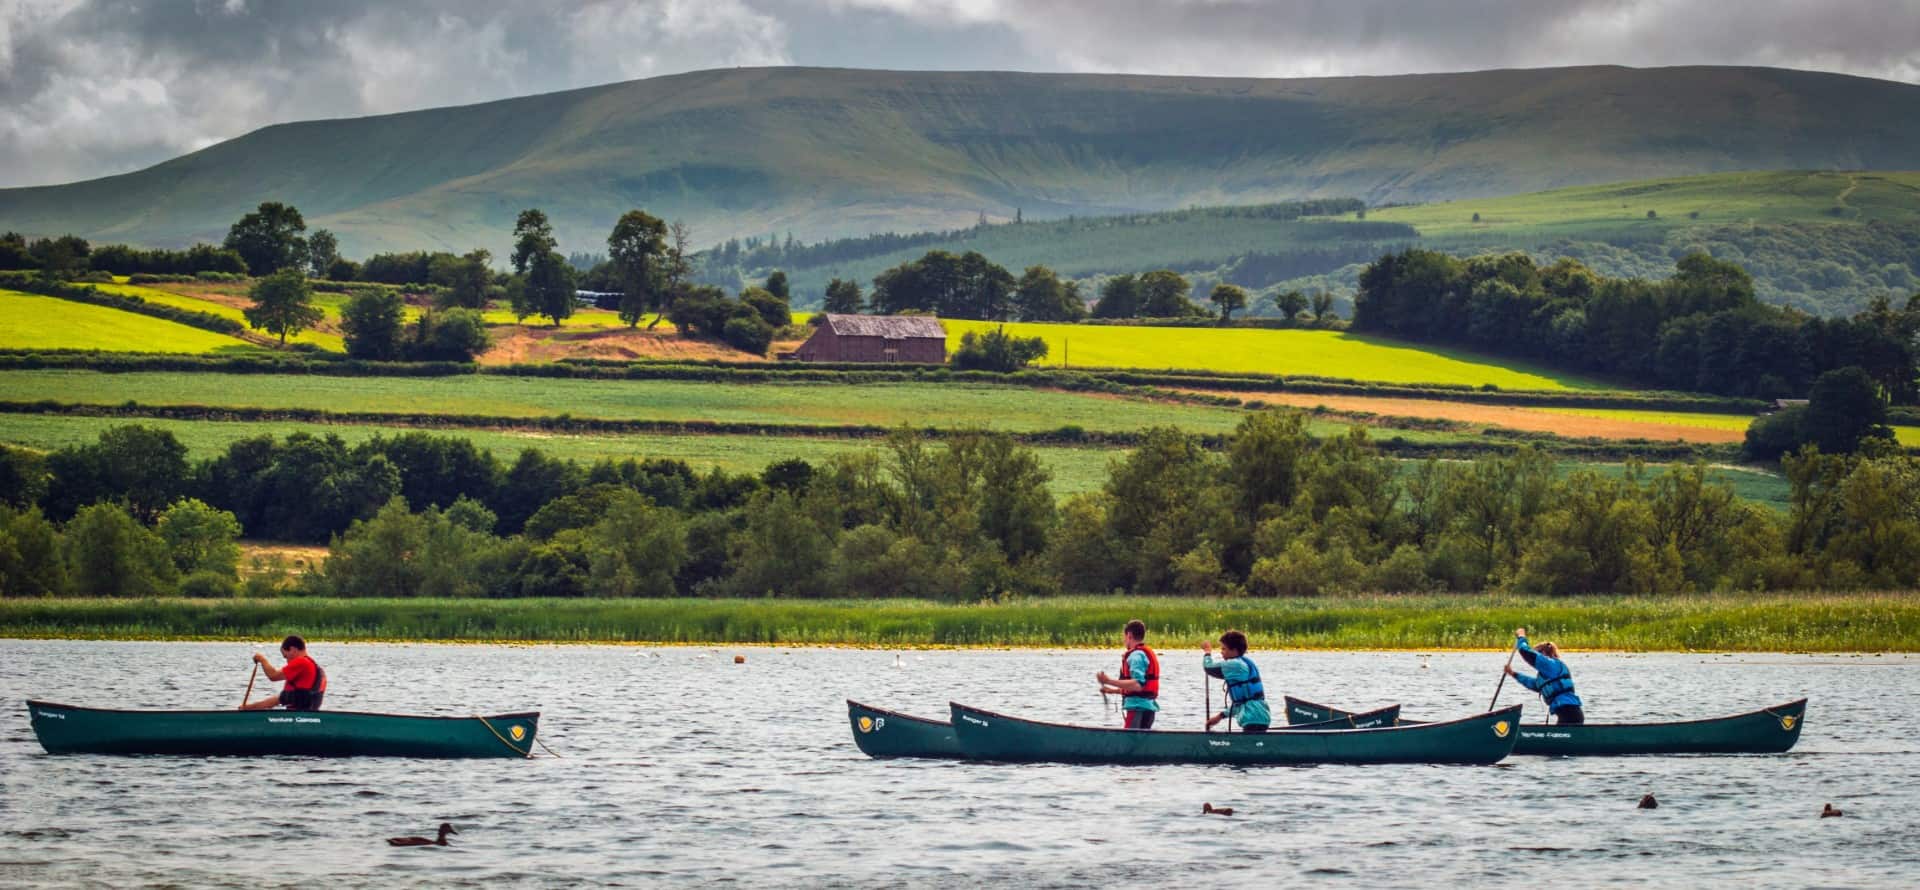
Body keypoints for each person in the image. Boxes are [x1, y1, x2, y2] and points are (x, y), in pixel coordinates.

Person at [1505, 627, 1582, 725]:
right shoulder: (1546, 673)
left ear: (1544, 653)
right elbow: (1534, 684)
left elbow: (1525, 651)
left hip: (1570, 713)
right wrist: (1513, 674)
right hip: (1566, 714)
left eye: (1537, 653)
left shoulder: (1551, 664)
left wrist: (1521, 636)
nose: (1537, 657)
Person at [1096, 619, 1160, 730]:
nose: (1124, 640)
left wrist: (1108, 681)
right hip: (1147, 708)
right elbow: (1139, 687)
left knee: (1130, 742)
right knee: (1140, 744)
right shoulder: (1142, 653)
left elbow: (1137, 685)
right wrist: (1111, 690)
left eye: (1124, 637)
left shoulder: (1135, 656)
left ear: (1129, 635)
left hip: (1137, 709)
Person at [1202, 630, 1270, 732]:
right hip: (1258, 717)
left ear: (1234, 650)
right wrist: (1219, 717)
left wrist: (1207, 653)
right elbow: (1241, 704)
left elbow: (1208, 668)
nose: (1221, 652)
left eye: (1224, 649)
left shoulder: (1235, 665)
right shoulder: (1243, 663)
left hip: (1253, 719)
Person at [241, 635, 327, 711]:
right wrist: (250, 707)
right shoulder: (317, 669)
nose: (287, 661)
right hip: (307, 714)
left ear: (293, 650)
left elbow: (273, 676)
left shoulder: (301, 662)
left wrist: (262, 659)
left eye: (286, 656)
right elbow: (280, 699)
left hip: (296, 716)